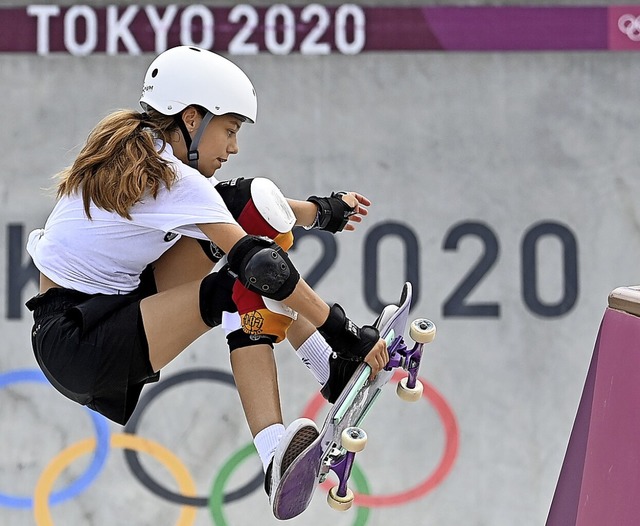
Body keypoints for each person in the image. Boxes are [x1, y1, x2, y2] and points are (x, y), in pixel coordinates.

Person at [25, 46, 388, 508]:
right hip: (80, 342)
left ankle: (334, 373)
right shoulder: (166, 176)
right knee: (242, 282)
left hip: (110, 304)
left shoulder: (142, 153)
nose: (234, 147)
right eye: (230, 130)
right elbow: (255, 262)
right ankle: (275, 450)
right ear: (192, 119)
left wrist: (321, 211)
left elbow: (241, 204)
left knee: (251, 209)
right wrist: (345, 332)